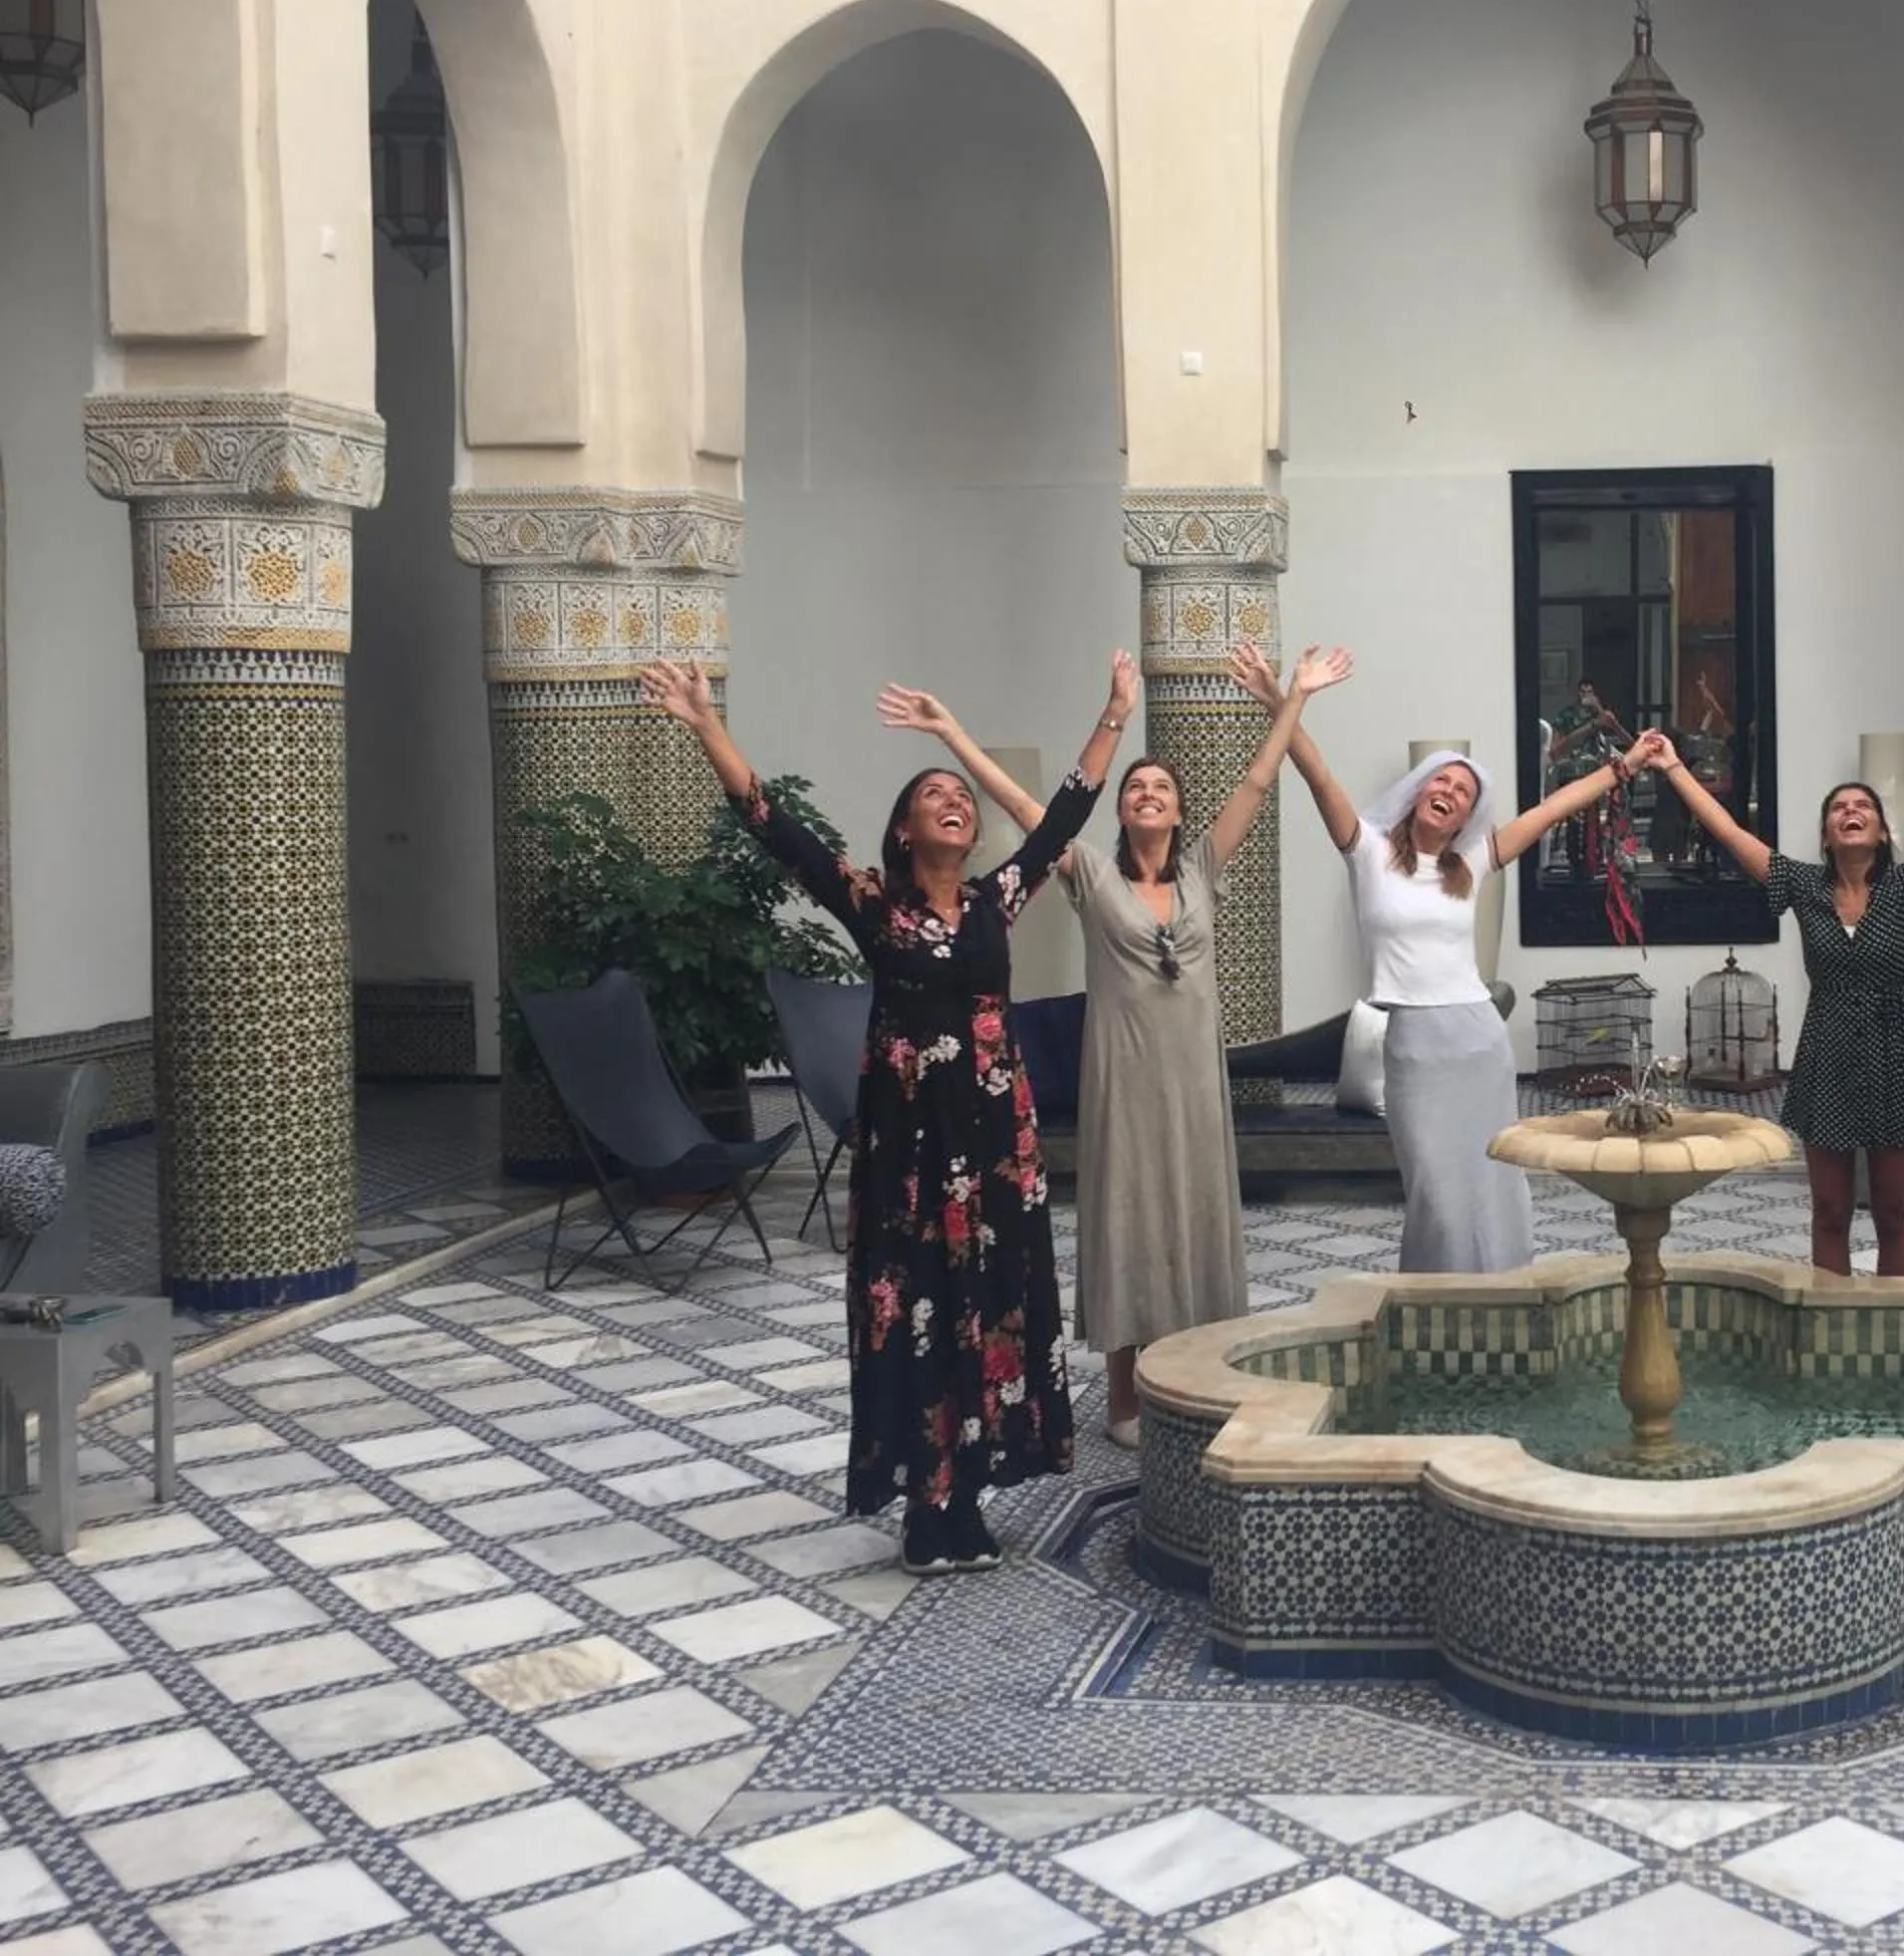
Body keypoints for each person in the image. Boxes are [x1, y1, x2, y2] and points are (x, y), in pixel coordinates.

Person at [639, 652, 1135, 1575]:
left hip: (995, 1148)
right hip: (911, 1150)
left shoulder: (997, 900)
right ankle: (924, 1501)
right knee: (914, 1309)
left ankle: (970, 1493)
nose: (956, 802)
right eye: (934, 795)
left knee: (986, 1309)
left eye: (963, 796)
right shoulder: (874, 903)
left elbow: (1067, 814)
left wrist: (1112, 712)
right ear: (904, 830)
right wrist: (706, 724)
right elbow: (773, 828)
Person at [885, 646, 1351, 1452]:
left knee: (1198, 1220)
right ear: (1122, 809)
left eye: (1161, 788)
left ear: (1176, 811)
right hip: (1124, 1085)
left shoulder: (1204, 868)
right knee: (1131, 1223)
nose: (1146, 794)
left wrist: (1295, 699)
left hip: (1194, 1087)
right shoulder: (1091, 874)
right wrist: (953, 735)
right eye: (1136, 787)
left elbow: (1256, 783)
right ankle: (1127, 1396)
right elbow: (1030, 809)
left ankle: (1207, 1379)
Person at [1249, 664, 1660, 1272]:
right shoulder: (1365, 849)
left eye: (1463, 792)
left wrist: (1624, 766)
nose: (1449, 791)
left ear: (1466, 818)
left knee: (1494, 1183)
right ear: (1419, 792)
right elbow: (1317, 773)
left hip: (1477, 1039)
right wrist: (1286, 701)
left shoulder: (1472, 862)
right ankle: (1434, 1307)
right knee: (1436, 1193)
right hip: (1414, 1045)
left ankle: (1501, 1302)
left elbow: (1550, 812)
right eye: (1440, 781)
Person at [1645, 637, 1904, 1274]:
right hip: (1828, 1050)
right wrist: (1674, 769)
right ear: (1827, 834)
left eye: (1863, 807)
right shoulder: (1803, 885)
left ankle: (1897, 1330)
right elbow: (1729, 833)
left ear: (1884, 831)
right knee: (1830, 1210)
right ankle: (1830, 1329)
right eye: (1839, 809)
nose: (1851, 813)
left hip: (1896, 1050)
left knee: (1893, 1211)